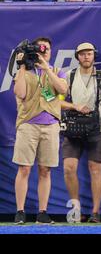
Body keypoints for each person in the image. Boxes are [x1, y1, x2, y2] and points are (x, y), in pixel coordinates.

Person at [13, 37, 68, 224]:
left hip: (51, 125)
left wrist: (45, 68)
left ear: (51, 52)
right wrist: (21, 65)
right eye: (40, 48)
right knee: (24, 168)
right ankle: (20, 211)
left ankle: (42, 211)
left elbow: (62, 89)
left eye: (47, 49)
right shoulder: (24, 72)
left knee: (45, 170)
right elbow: (20, 93)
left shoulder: (57, 71)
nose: (43, 51)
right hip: (28, 124)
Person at [61, 42, 101, 223]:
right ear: (77, 57)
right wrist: (74, 106)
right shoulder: (68, 76)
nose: (86, 57)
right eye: (83, 54)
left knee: (95, 169)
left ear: (94, 56)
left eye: (90, 54)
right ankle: (76, 208)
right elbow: (57, 100)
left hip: (97, 126)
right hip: (73, 126)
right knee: (69, 167)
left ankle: (95, 212)